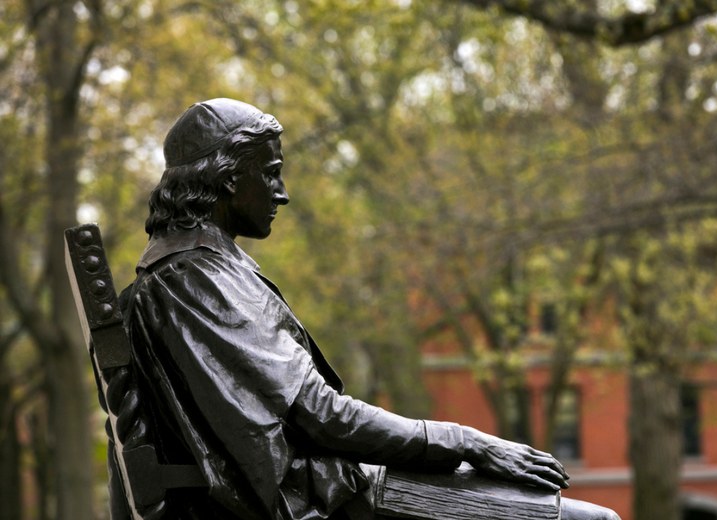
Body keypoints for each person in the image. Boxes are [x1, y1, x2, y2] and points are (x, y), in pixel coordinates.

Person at [122, 98, 615, 520]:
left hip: (328, 486)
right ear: (229, 179)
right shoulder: (195, 280)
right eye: (270, 174)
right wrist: (466, 441)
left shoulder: (187, 275)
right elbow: (321, 417)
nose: (282, 193)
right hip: (328, 496)